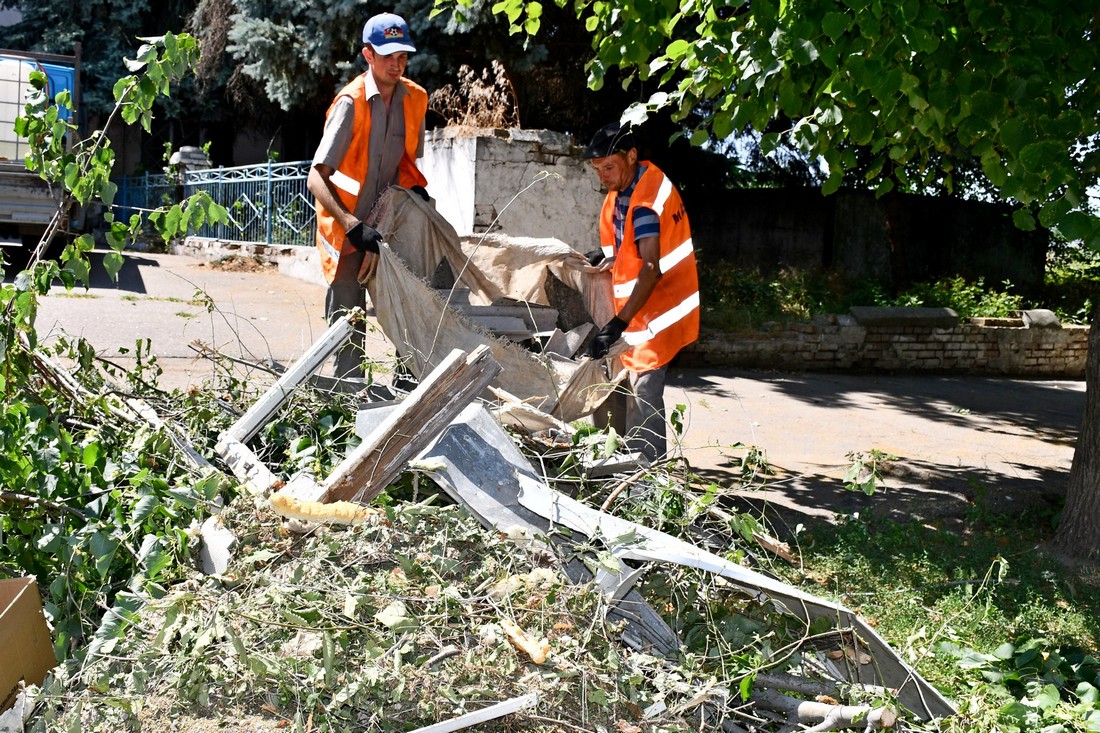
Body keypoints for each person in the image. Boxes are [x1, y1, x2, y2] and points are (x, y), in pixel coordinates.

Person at [307, 12, 431, 379]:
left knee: (408, 302)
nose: (397, 63)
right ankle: (347, 398)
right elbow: (316, 177)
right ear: (368, 55)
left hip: (388, 223)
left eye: (403, 56)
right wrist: (352, 225)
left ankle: (408, 389)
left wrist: (417, 194)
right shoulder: (351, 103)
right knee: (349, 316)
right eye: (388, 55)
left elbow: (406, 163)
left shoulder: (416, 99)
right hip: (346, 227)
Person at [581, 122, 700, 462]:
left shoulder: (647, 201)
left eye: (609, 167)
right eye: (597, 169)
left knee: (643, 393)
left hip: (657, 312)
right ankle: (614, 467)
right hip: (637, 310)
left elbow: (649, 268)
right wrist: (605, 255)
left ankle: (646, 480)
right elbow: (628, 248)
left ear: (631, 156)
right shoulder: (625, 189)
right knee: (615, 386)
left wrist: (617, 324)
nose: (603, 175)